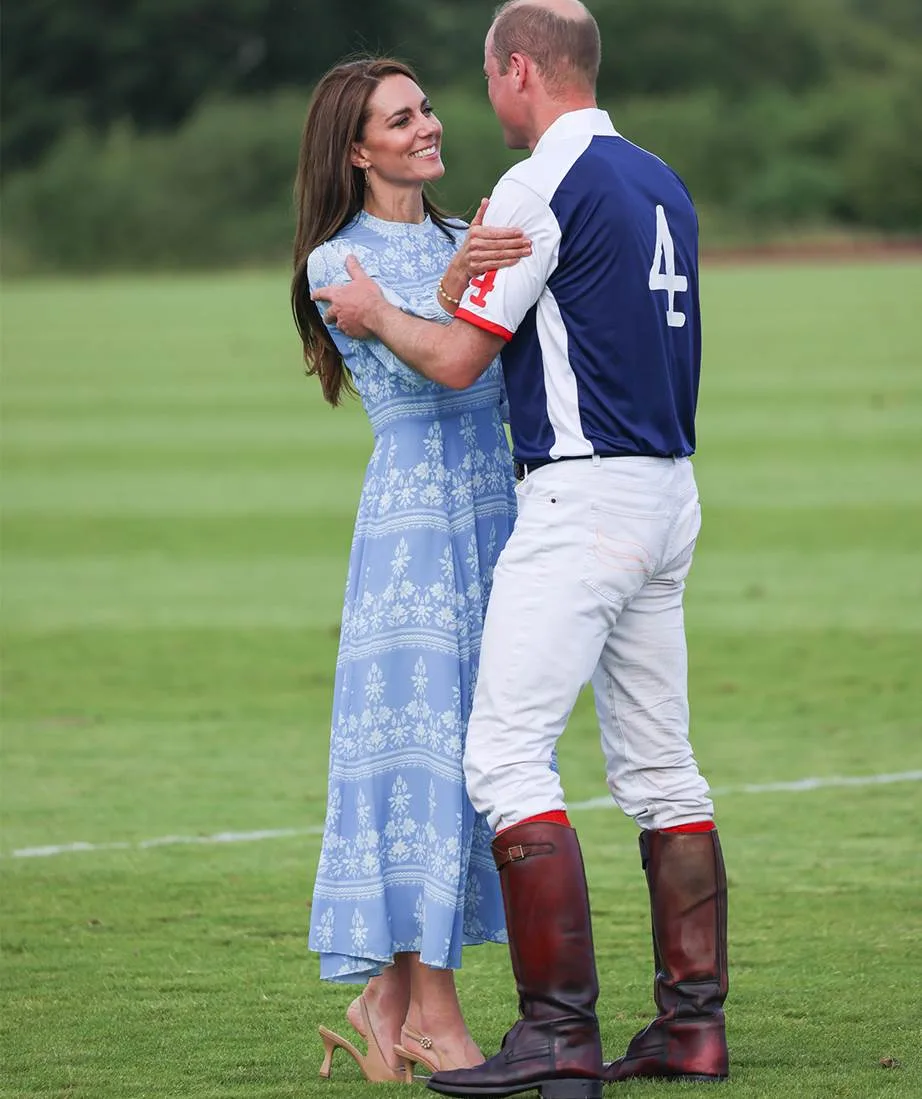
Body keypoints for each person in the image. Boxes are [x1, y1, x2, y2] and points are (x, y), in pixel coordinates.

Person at [311, 2, 730, 1097]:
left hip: (577, 498)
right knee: (660, 766)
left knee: (499, 760)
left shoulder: (535, 188)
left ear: (515, 72)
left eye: (468, 85)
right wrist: (443, 287)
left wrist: (391, 312)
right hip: (667, 487)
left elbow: (457, 362)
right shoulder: (662, 180)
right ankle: (691, 1028)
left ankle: (553, 1034)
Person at [291, 57, 534, 1085]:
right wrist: (442, 289)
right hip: (416, 531)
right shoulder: (332, 264)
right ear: (357, 148)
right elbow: (429, 369)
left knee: (481, 755)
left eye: (428, 107)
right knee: (422, 760)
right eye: (402, 118)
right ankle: (432, 1011)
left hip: (497, 514)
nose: (429, 125)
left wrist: (463, 270)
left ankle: (385, 999)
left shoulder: (458, 236)